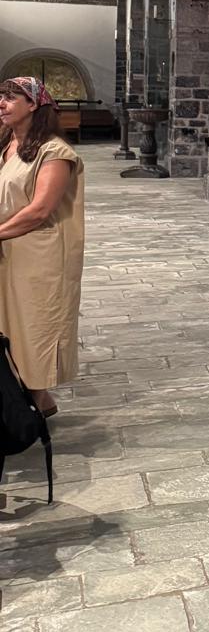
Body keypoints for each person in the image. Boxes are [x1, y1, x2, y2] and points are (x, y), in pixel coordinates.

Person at [0, 76, 84, 416]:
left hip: (37, 255)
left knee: (33, 326)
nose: (1, 104)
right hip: (8, 248)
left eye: (10, 97)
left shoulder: (54, 151)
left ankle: (37, 404)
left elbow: (40, 210)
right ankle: (27, 402)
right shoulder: (7, 144)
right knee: (7, 325)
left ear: (34, 104)